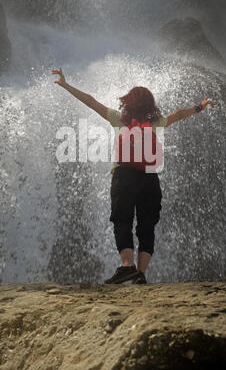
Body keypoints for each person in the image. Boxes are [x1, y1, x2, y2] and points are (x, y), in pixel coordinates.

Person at [52, 68, 216, 284]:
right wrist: (200, 106)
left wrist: (66, 85)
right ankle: (140, 273)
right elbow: (178, 114)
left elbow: (91, 102)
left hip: (124, 176)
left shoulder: (118, 119)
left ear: (127, 102)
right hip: (149, 177)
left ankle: (127, 266)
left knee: (122, 220)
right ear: (150, 104)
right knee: (146, 226)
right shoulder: (156, 123)